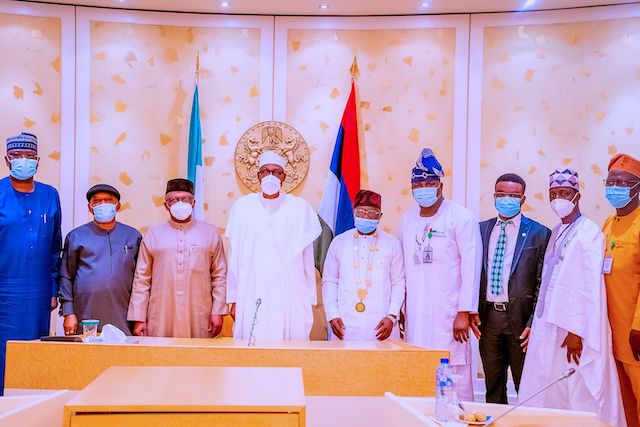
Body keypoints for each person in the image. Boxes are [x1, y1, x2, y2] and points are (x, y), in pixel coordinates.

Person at [519, 168, 625, 426]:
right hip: (550, 324)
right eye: (553, 193)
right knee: (547, 384)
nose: (558, 199)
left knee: (574, 390)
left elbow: (586, 286)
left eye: (564, 193)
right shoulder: (557, 231)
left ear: (577, 195)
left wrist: (577, 331)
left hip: (573, 329)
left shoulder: (587, 232)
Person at [399, 148, 482, 402]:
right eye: (418, 183)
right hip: (416, 314)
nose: (423, 187)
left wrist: (464, 312)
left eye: (429, 182)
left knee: (454, 373)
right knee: (418, 370)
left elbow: (472, 266)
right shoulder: (407, 218)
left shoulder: (461, 217)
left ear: (440, 184)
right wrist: (402, 306)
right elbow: (402, 266)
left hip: (449, 315)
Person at [470, 173, 550, 404]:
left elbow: (542, 283)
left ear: (523, 199)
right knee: (493, 385)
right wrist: (471, 308)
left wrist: (534, 322)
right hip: (489, 319)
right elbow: (472, 273)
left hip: (521, 321)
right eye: (501, 194)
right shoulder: (480, 230)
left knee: (525, 386)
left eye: (513, 195)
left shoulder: (539, 233)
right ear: (494, 197)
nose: (507, 199)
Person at [226, 151, 321, 341]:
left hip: (289, 292)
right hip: (251, 289)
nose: (271, 175)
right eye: (265, 171)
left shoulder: (299, 208)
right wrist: (233, 297)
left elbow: (307, 258)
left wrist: (309, 295)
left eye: (276, 172)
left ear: (284, 177)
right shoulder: (242, 207)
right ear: (258, 175)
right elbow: (234, 255)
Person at [0, 132, 61, 395]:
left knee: (35, 353)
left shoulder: (50, 195)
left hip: (38, 292)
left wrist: (52, 288)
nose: (23, 161)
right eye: (16, 156)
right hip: (4, 291)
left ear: (37, 161)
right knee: (5, 353)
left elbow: (54, 246)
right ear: (6, 160)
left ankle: (31, 410)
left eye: (29, 156)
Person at [127, 178, 227, 338]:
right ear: (166, 205)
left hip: (200, 311)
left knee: (198, 357)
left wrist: (218, 311)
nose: (180, 203)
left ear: (193, 202)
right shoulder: (153, 234)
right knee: (161, 357)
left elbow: (219, 276)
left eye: (185, 199)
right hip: (161, 312)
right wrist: (138, 317)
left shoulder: (210, 232)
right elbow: (142, 279)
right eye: (174, 200)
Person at [322, 190, 405, 341]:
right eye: (361, 212)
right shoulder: (339, 242)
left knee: (382, 364)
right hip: (345, 324)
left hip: (382, 324)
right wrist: (333, 314)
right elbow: (330, 281)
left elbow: (398, 282)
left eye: (372, 213)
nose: (366, 216)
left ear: (380, 216)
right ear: (354, 212)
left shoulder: (392, 244)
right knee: (345, 363)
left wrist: (392, 316)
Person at [59, 184, 141, 335]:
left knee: (122, 357)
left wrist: (140, 318)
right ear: (90, 208)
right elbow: (66, 276)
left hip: (123, 316)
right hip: (85, 314)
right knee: (87, 357)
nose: (103, 205)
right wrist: (68, 312)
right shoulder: (76, 237)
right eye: (97, 202)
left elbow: (141, 280)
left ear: (118, 206)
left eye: (108, 200)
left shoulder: (133, 236)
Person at [602, 154, 640, 427]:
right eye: (611, 181)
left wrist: (639, 327)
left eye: (623, 182)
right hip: (610, 332)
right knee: (623, 402)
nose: (615, 187)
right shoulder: (608, 224)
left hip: (634, 334)